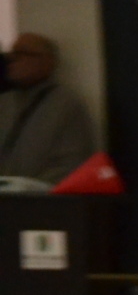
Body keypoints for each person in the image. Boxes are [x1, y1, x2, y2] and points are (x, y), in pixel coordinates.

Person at [0, 33, 94, 186]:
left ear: (47, 62)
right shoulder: (4, 102)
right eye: (12, 53)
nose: (12, 59)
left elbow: (73, 163)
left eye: (22, 53)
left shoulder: (66, 105)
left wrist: (27, 188)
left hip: (40, 196)